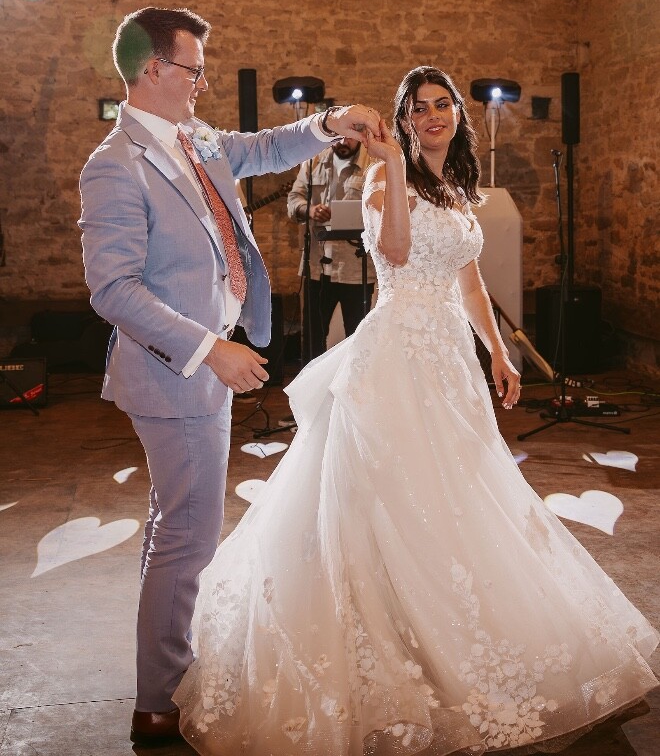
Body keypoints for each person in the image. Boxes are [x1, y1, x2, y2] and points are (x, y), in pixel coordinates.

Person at [173, 64, 658, 755]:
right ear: (402, 122)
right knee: (392, 495)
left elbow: (469, 283)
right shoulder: (380, 179)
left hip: (450, 359)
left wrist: (498, 351)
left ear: (457, 113)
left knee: (461, 492)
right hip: (397, 355)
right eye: (418, 108)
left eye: (441, 105)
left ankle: (460, 624)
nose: (432, 116)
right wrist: (395, 168)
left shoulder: (456, 189)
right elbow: (397, 252)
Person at [77, 6, 381, 746]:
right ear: (154, 70)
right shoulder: (115, 165)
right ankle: (158, 699)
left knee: (177, 525)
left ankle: (166, 673)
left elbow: (264, 147)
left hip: (200, 372)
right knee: (187, 533)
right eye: (194, 70)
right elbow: (113, 289)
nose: (203, 83)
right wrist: (210, 348)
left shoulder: (197, 139)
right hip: (174, 373)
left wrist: (331, 122)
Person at [288, 136, 376, 358]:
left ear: (360, 134)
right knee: (312, 338)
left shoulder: (373, 164)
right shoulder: (313, 161)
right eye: (338, 137)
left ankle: (351, 380)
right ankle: (310, 380)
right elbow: (294, 198)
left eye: (349, 138)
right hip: (317, 266)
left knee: (357, 338)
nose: (343, 142)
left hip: (355, 269)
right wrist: (309, 210)